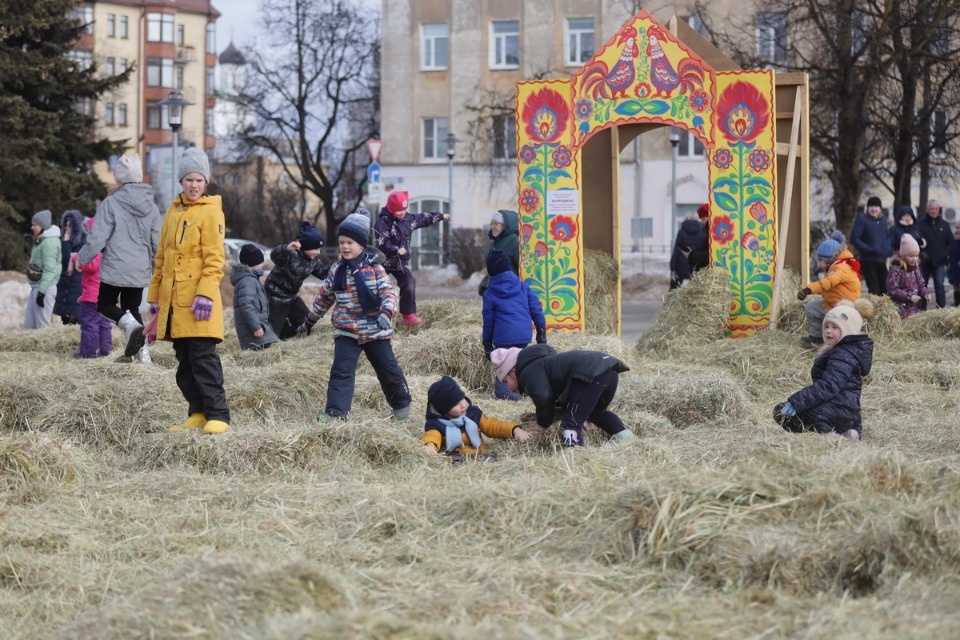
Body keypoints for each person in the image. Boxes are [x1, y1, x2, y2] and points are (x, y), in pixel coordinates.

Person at [297, 211, 412, 421]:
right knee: (341, 373)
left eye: (350, 242)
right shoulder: (336, 270)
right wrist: (309, 321)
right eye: (342, 242)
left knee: (388, 371)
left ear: (361, 244)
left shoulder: (375, 268)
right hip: (346, 330)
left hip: (376, 330)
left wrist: (386, 313)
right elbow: (324, 298)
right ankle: (336, 414)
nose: (345, 247)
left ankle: (401, 406)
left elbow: (389, 293)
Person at [147, 148, 230, 435]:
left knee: (203, 358)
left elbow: (215, 258)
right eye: (188, 179)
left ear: (206, 182)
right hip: (174, 303)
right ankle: (196, 412)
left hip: (198, 303)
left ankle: (218, 414)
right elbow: (161, 259)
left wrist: (205, 293)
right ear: (181, 181)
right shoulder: (172, 211)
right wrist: (155, 299)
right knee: (184, 361)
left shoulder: (211, 212)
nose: (193, 185)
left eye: (199, 179)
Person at [76, 153, 161, 362]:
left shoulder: (110, 203)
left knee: (105, 305)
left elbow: (97, 240)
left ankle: (130, 326)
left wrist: (82, 258)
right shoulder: (152, 206)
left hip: (115, 267)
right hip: (139, 269)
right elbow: (157, 242)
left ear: (119, 178)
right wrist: (158, 267)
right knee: (132, 309)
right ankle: (143, 356)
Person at [490, 344, 637, 448]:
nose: (508, 387)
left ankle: (574, 453)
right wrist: (543, 413)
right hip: (609, 370)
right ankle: (628, 440)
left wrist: (543, 423)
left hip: (589, 374)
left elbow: (544, 396)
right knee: (595, 412)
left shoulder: (528, 373)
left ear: (513, 371)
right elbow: (562, 398)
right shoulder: (543, 364)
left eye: (506, 381)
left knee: (571, 422)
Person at [774, 298, 875, 441]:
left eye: (835, 327)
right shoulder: (845, 350)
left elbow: (829, 385)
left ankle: (830, 436)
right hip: (848, 412)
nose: (828, 331)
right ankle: (848, 433)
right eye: (826, 326)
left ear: (848, 330)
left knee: (781, 412)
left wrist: (798, 401)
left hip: (837, 409)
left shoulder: (843, 354)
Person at [375, 190, 450, 326]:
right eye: (398, 211)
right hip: (383, 262)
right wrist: (396, 250)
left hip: (399, 263)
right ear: (391, 209)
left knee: (409, 283)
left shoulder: (408, 220)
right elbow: (382, 242)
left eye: (404, 209)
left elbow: (424, 218)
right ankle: (375, 313)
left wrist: (441, 216)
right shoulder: (383, 222)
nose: (402, 213)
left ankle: (408, 315)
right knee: (378, 286)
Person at [482, 249, 547, 400]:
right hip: (523, 335)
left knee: (503, 366)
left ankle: (505, 393)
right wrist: (541, 331)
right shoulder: (523, 287)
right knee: (521, 364)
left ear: (490, 271)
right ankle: (523, 391)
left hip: (503, 338)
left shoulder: (490, 293)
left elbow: (489, 321)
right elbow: (536, 310)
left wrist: (486, 343)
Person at [422, 375, 533, 463]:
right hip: (457, 459)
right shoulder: (436, 424)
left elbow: (493, 426)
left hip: (481, 455)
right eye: (455, 404)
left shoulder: (473, 413)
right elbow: (432, 436)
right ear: (444, 410)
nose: (463, 405)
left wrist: (514, 430)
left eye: (462, 399)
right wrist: (430, 446)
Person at [264, 220, 329, 340]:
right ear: (307, 246)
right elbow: (275, 255)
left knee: (306, 322)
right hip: (275, 298)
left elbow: (324, 273)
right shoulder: (291, 254)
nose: (318, 252)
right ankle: (279, 334)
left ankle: (287, 333)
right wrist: (286, 248)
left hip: (292, 297)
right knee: (271, 335)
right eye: (316, 248)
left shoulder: (313, 261)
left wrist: (341, 264)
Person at [796, 231, 861, 346]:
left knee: (833, 319)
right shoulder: (836, 266)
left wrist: (808, 290)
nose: (819, 263)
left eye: (820, 260)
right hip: (832, 303)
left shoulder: (840, 269)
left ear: (829, 259)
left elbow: (827, 283)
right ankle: (817, 338)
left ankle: (840, 343)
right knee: (812, 307)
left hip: (843, 307)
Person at [70, 217, 112, 358]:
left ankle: (89, 354)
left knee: (89, 324)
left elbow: (90, 265)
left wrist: (75, 258)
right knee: (104, 324)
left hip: (92, 297)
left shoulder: (95, 248)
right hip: (106, 295)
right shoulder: (110, 249)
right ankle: (106, 351)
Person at [231, 243, 279, 351]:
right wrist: (256, 327)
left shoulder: (251, 279)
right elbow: (246, 306)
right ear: (251, 264)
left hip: (258, 332)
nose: (262, 265)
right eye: (259, 263)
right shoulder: (247, 281)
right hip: (255, 334)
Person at [24, 209, 61, 329]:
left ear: (43, 226)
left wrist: (42, 293)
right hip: (37, 286)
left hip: (44, 287)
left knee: (41, 327)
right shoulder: (42, 240)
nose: (32, 227)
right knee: (30, 326)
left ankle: (42, 348)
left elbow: (50, 269)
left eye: (35, 225)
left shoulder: (49, 243)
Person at [849, 196, 891, 295]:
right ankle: (874, 310)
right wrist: (868, 248)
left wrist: (887, 249)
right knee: (874, 290)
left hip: (881, 260)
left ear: (880, 208)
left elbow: (887, 236)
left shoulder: (883, 220)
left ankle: (884, 310)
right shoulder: (862, 219)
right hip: (868, 260)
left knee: (885, 289)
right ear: (867, 208)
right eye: (871, 206)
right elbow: (854, 238)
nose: (874, 209)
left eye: (876, 206)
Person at [918, 199, 954, 309]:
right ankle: (922, 309)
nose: (934, 211)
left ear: (939, 210)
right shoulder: (920, 224)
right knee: (922, 286)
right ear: (927, 209)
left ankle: (941, 309)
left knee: (939, 285)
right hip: (924, 262)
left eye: (936, 209)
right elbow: (916, 240)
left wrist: (945, 255)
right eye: (932, 209)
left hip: (940, 262)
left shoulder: (945, 225)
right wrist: (921, 254)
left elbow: (950, 242)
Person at [886, 234, 930, 319]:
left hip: (914, 309)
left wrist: (925, 293)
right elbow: (892, 290)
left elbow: (921, 284)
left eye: (916, 256)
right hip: (900, 311)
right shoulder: (896, 269)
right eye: (911, 256)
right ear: (903, 255)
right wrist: (909, 297)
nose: (914, 259)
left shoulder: (916, 268)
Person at [53, 209, 86, 325]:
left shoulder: (83, 242)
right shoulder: (68, 242)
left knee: (74, 319)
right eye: (65, 225)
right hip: (66, 286)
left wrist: (66, 243)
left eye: (70, 226)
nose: (67, 229)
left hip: (76, 287)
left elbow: (69, 260)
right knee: (66, 321)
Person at [478, 209, 520, 296]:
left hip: (509, 289)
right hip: (497, 288)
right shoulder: (496, 240)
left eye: (496, 223)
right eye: (492, 223)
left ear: (505, 226)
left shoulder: (514, 241)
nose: (493, 226)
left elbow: (521, 266)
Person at [669, 209, 708, 289]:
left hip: (681, 263)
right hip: (695, 262)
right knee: (694, 287)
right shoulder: (702, 231)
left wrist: (672, 264)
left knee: (679, 286)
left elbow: (677, 248)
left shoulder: (682, 231)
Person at [949, 220, 960, 307]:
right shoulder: (953, 238)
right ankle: (956, 302)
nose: (957, 230)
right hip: (954, 263)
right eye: (956, 228)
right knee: (955, 283)